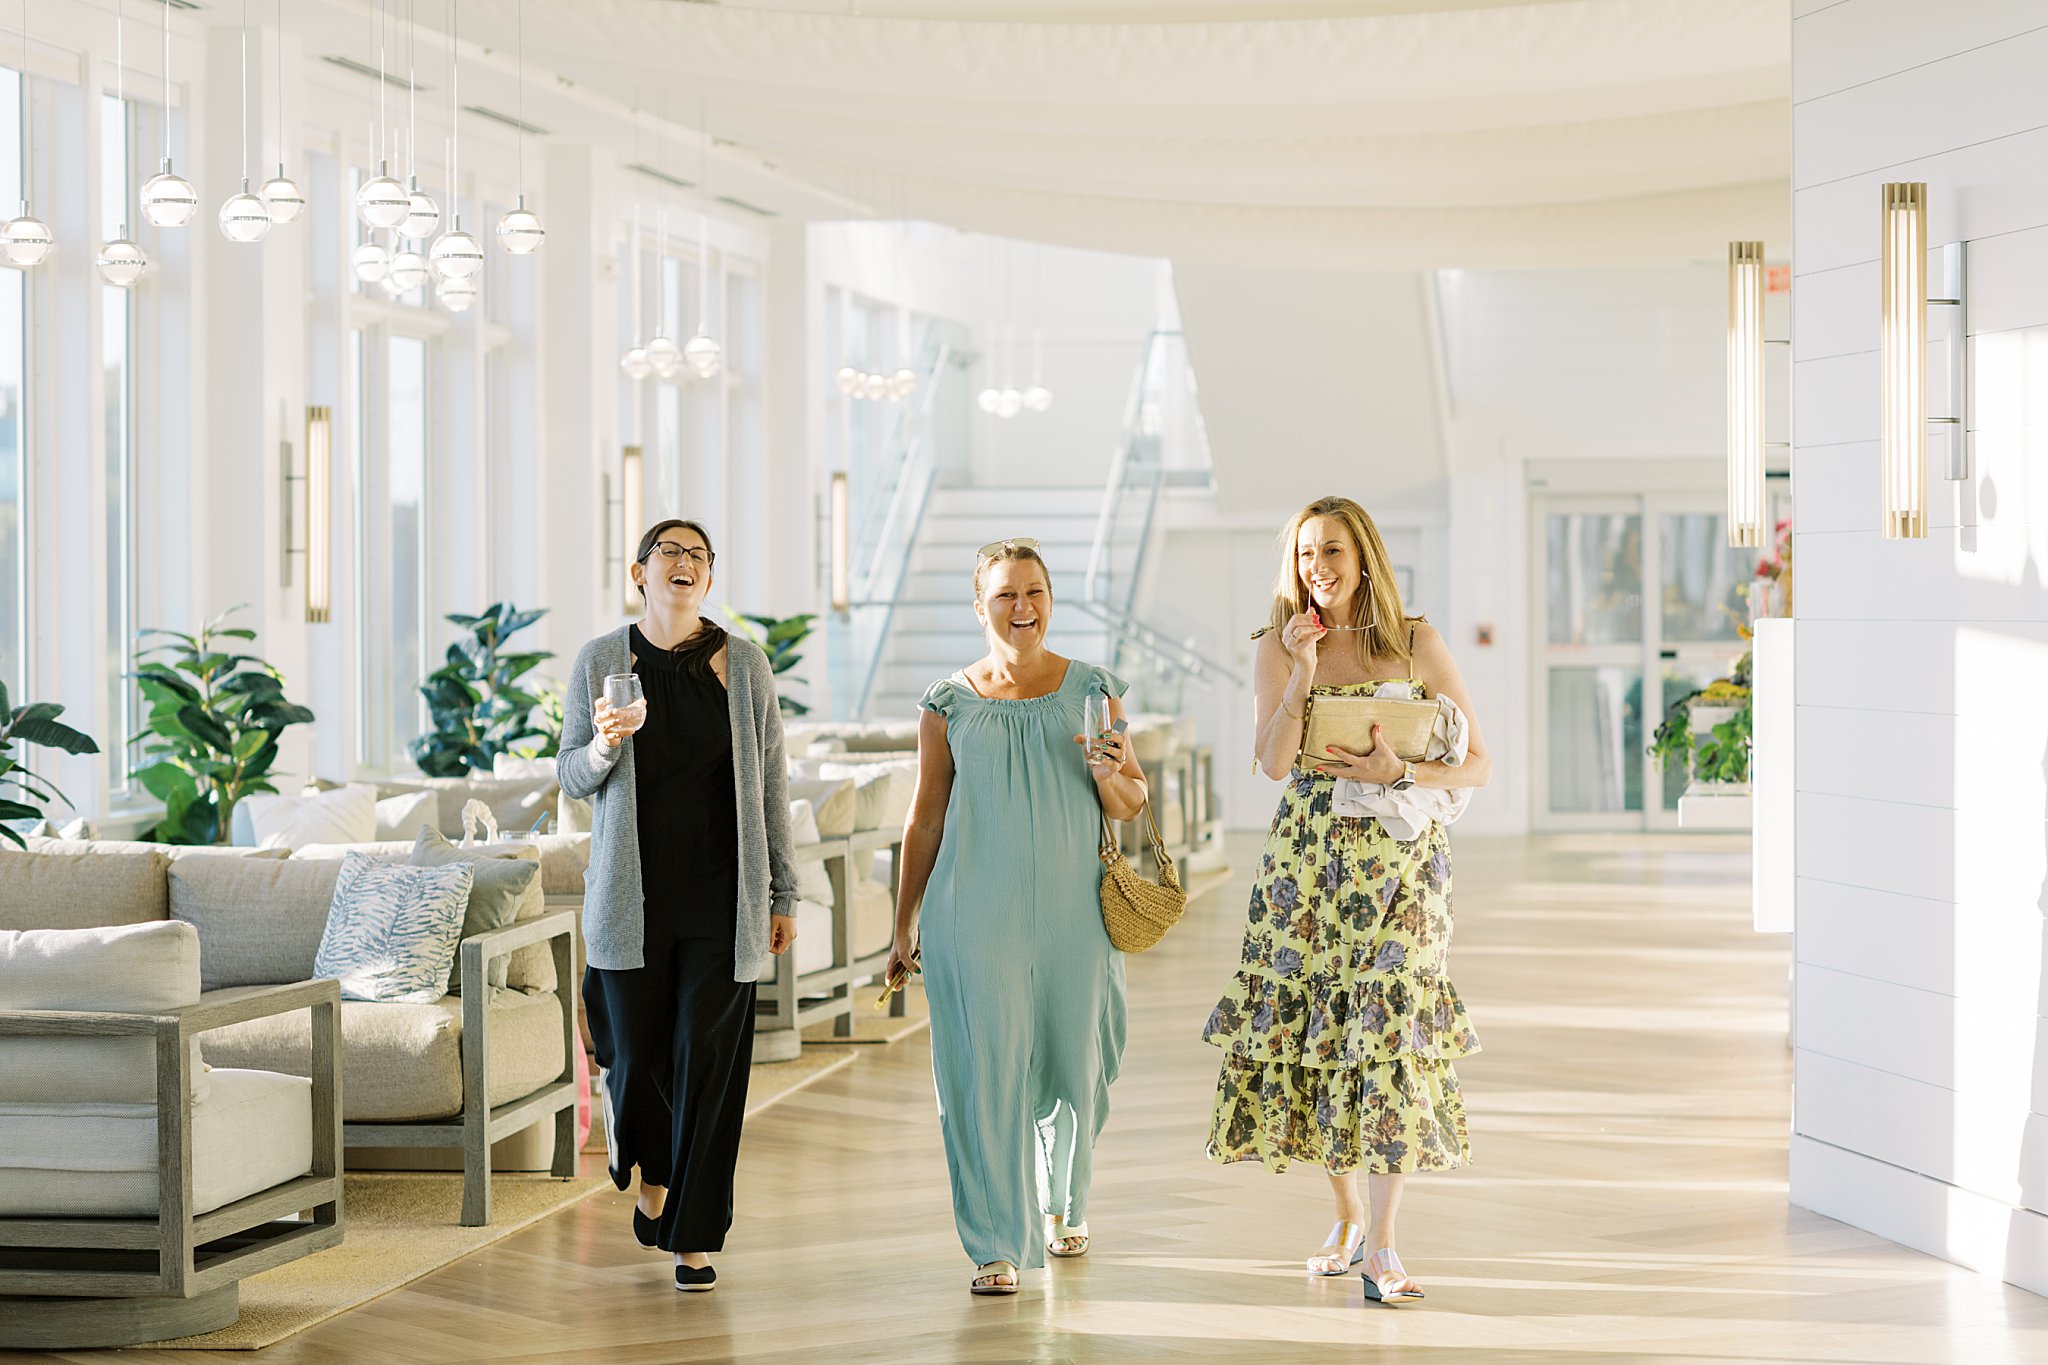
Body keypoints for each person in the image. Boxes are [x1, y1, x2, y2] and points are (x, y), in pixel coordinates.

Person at [1202, 495, 1490, 1305]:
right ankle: (1347, 1214)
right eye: (1302, 555)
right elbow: (1270, 762)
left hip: (1403, 872)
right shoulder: (1275, 645)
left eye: (1330, 551)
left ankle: (1385, 1245)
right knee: (1320, 1035)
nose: (1316, 569)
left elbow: (1479, 764)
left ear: (1363, 555)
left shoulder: (1415, 642)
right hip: (1309, 871)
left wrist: (1400, 774)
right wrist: (1298, 670)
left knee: (1392, 1040)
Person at [887, 539, 1150, 1295]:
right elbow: (925, 818)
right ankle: (996, 1241)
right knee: (982, 1073)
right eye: (1005, 594)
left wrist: (1109, 772)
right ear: (980, 606)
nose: (1022, 606)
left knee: (1082, 1065)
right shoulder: (948, 702)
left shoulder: (1094, 688)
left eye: (1033, 591)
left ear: (1050, 599)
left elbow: (1134, 803)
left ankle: (1064, 1202)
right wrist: (904, 923)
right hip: (972, 915)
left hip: (1077, 914)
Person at [558, 518, 799, 1293]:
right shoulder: (601, 659)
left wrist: (781, 890)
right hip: (631, 901)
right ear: (639, 573)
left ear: (708, 575)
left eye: (699, 555)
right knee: (632, 1058)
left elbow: (770, 783)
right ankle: (651, 1163)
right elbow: (569, 773)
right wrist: (603, 746)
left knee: (709, 1063)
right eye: (671, 552)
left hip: (723, 901)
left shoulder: (744, 663)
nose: (685, 564)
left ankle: (694, 1236)